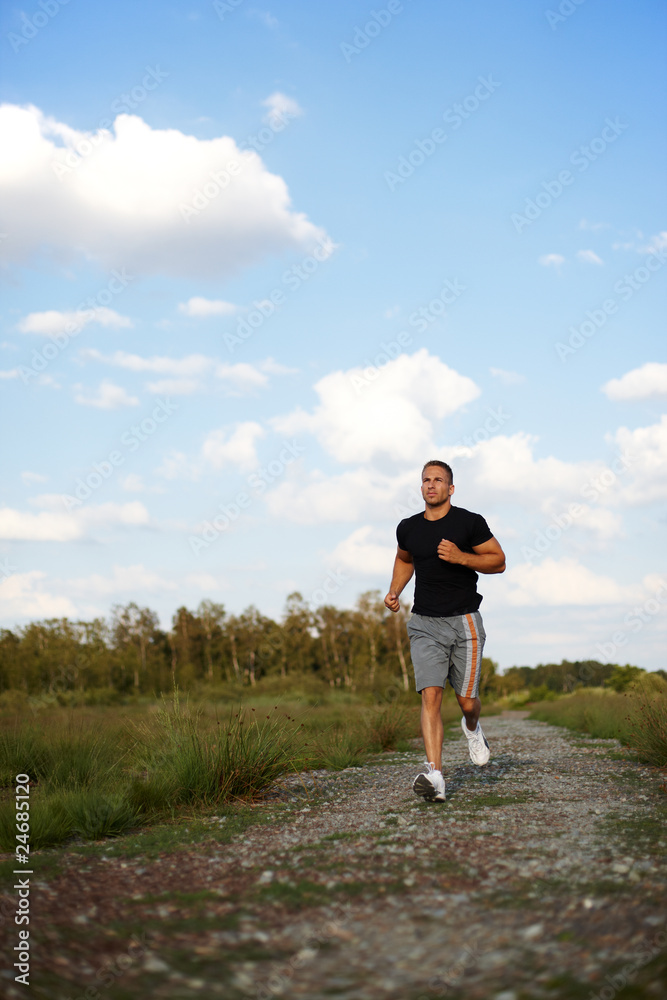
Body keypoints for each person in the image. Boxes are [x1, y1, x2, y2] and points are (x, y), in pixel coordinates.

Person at [384, 460, 505, 802]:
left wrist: (461, 557)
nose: (431, 485)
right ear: (421, 487)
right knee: (431, 695)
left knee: (467, 702)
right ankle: (435, 775)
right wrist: (395, 591)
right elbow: (405, 558)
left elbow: (498, 560)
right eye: (426, 480)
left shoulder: (470, 522)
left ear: (451, 488)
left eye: (438, 480)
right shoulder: (408, 527)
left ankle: (472, 728)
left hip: (464, 621)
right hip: (424, 623)